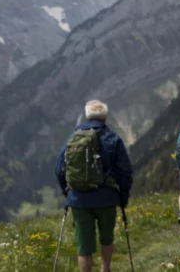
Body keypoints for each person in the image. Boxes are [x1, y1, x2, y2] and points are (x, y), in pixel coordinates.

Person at [56, 100, 134, 272]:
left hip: (79, 200)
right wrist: (123, 196)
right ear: (105, 117)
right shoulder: (113, 139)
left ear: (87, 116)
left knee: (84, 248)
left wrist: (67, 192)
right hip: (107, 199)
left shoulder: (72, 139)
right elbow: (125, 171)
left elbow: (59, 169)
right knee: (106, 239)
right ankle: (105, 269)